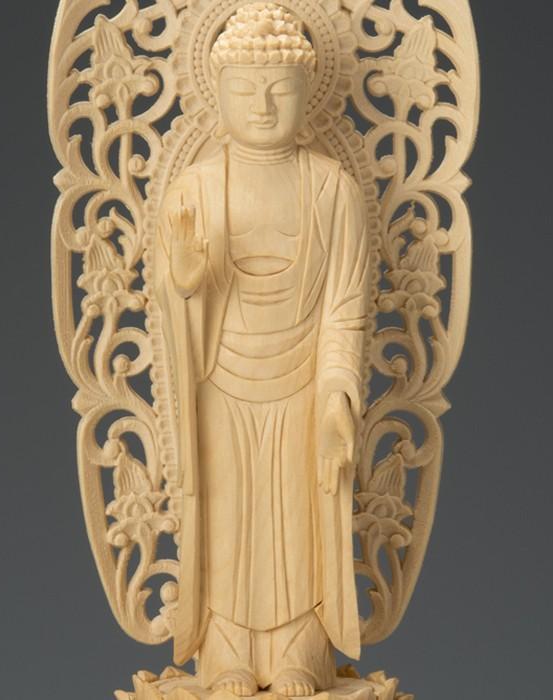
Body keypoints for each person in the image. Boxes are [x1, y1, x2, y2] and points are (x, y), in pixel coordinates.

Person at [154, 3, 370, 695]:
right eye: (246, 90)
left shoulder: (332, 189)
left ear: (309, 93)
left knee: (299, 524)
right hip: (220, 382)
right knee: (229, 521)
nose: (264, 105)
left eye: (280, 89)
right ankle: (226, 656)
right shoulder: (195, 187)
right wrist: (186, 283)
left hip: (306, 385)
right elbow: (169, 309)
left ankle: (300, 652)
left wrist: (336, 400)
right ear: (217, 94)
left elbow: (347, 309)